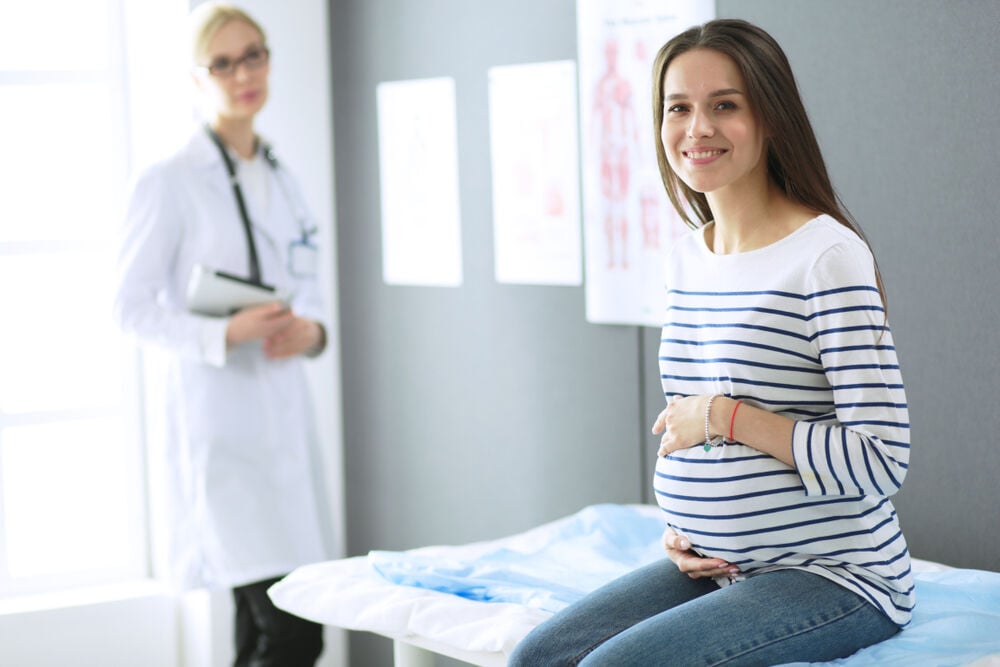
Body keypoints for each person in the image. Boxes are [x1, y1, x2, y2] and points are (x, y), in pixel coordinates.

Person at [509, 18, 912, 666]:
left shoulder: (826, 257)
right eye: (679, 108)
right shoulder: (684, 258)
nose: (697, 128)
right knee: (537, 655)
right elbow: (689, 430)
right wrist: (684, 527)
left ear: (771, 117)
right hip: (719, 564)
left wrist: (725, 417)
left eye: (724, 105)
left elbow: (882, 458)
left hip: (837, 574)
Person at [113, 3, 329, 665]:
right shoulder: (170, 182)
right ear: (197, 77)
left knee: (260, 630)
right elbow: (130, 308)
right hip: (222, 439)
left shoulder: (282, 178)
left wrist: (313, 332)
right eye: (224, 62)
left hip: (283, 431)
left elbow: (307, 286)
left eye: (255, 55)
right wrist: (222, 331)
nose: (244, 73)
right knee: (294, 631)